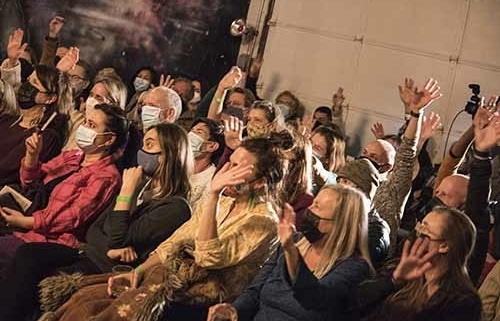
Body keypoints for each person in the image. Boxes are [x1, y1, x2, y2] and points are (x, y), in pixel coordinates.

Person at [37, 133, 292, 321]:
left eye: (237, 167)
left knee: (109, 313)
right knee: (84, 297)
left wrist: (213, 195)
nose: (227, 170)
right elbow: (174, 242)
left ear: (260, 182)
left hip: (202, 296)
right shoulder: (226, 201)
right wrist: (139, 272)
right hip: (171, 278)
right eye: (230, 162)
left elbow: (207, 257)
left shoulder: (263, 220)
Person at [0, 122, 193, 321]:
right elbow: (95, 229)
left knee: (39, 273)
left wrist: (126, 194)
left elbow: (119, 238)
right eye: (143, 144)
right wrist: (112, 247)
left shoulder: (175, 207)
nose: (143, 152)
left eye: (150, 145)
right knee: (28, 252)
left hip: (105, 266)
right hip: (88, 250)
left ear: (169, 154)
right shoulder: (140, 186)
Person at [207, 185, 373, 321]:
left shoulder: (354, 267)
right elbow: (255, 291)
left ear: (339, 225)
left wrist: (291, 251)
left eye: (317, 208)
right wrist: (233, 310)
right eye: (313, 203)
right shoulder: (294, 241)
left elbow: (315, 299)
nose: (309, 210)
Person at [0, 104, 128, 270]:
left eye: (92, 126)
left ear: (109, 139)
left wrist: (25, 222)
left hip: (48, 240)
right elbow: (30, 182)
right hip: (25, 223)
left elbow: (72, 217)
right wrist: (32, 155)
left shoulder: (106, 177)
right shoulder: (73, 156)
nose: (85, 129)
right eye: (86, 123)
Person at [357, 206, 481, 321]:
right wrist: (393, 281)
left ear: (443, 246)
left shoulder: (464, 301)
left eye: (424, 230)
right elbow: (356, 303)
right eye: (419, 226)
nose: (416, 234)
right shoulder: (402, 268)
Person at [63, 77, 128, 151]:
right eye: (91, 95)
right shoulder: (76, 118)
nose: (91, 100)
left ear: (113, 104)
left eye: (99, 98)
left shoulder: (105, 138)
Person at [188, 117, 225, 211]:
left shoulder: (212, 178)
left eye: (199, 132)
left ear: (212, 146)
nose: (190, 135)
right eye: (191, 131)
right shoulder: (176, 166)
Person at [310, 125, 346, 193]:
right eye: (310, 142)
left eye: (317, 148)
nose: (310, 148)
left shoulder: (334, 180)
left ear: (328, 158)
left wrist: (321, 173)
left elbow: (337, 185)